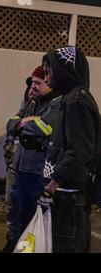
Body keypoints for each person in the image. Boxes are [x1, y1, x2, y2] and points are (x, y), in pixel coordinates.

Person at [39, 46, 100, 252]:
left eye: (50, 71)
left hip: (69, 197)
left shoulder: (76, 101)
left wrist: (51, 186)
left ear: (66, 70)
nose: (47, 78)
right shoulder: (72, 98)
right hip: (68, 196)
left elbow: (79, 152)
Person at [3, 66, 57, 252]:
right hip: (20, 168)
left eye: (37, 83)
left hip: (37, 172)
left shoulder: (55, 105)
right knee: (17, 214)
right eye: (31, 82)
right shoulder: (32, 103)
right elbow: (11, 124)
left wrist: (24, 125)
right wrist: (24, 121)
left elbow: (39, 131)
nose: (32, 87)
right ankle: (16, 245)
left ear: (49, 83)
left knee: (34, 222)